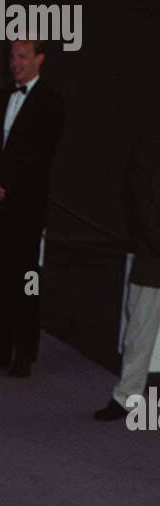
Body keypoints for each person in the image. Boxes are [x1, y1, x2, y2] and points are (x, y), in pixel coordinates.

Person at [0, 40, 64, 378]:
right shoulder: (1, 97)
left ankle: (24, 352)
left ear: (40, 59)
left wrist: (6, 186)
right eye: (12, 57)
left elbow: (39, 157)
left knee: (25, 279)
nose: (16, 63)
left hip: (25, 206)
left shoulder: (51, 101)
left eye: (23, 56)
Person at [94, 134, 160, 420]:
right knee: (139, 333)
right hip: (154, 258)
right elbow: (139, 202)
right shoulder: (147, 148)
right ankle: (127, 397)